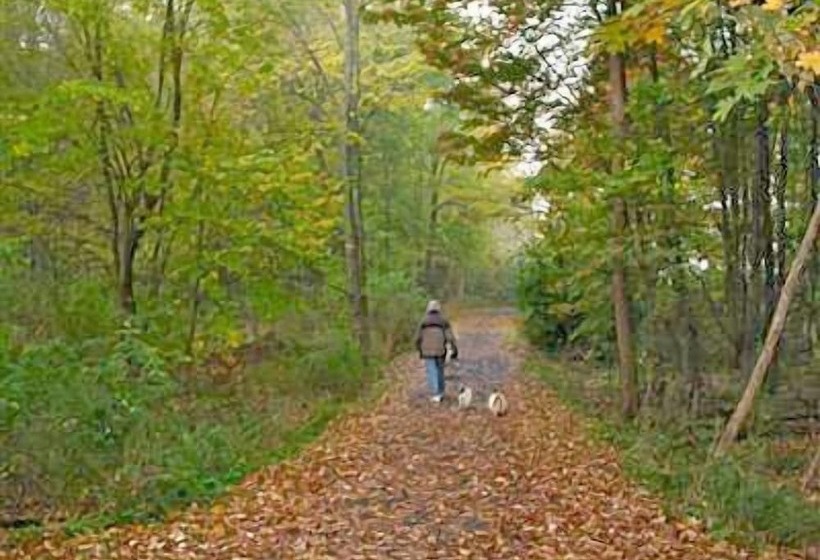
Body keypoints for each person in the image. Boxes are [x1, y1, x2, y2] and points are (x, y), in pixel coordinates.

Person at [415, 300, 458, 403]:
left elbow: (418, 337)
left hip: (427, 350)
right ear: (439, 308)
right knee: (440, 370)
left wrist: (418, 347)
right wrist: (453, 347)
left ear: (428, 309)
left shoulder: (423, 321)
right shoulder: (443, 320)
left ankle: (435, 394)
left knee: (431, 370)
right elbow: (450, 336)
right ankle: (441, 392)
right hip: (440, 349)